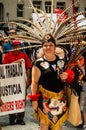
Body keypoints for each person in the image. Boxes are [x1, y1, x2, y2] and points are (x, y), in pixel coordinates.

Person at [28, 34, 75, 130]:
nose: (48, 47)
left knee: (58, 125)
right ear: (42, 48)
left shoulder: (61, 61)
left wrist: (67, 75)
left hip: (60, 100)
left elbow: (69, 75)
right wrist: (34, 100)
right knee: (44, 124)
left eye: (50, 45)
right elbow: (34, 82)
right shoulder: (38, 63)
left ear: (55, 47)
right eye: (45, 45)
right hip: (44, 99)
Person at [3, 39, 32, 125]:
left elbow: (28, 67)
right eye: (14, 46)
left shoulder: (24, 55)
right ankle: (12, 118)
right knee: (11, 100)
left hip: (21, 81)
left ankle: (20, 119)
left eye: (18, 46)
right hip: (11, 82)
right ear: (12, 47)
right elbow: (5, 68)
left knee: (22, 100)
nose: (16, 48)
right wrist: (15, 63)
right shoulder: (7, 56)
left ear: (20, 47)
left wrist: (28, 80)